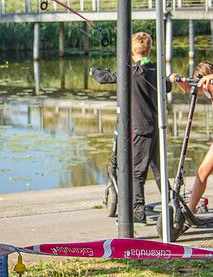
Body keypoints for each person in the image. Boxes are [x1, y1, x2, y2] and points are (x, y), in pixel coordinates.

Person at [91, 31, 171, 227]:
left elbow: (104, 78)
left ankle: (138, 214)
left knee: (137, 174)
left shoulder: (131, 73)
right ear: (149, 49)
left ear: (132, 53)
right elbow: (167, 86)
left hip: (139, 130)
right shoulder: (155, 70)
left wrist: (94, 70)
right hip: (155, 128)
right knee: (159, 171)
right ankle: (172, 207)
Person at [171, 61, 213, 215]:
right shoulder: (207, 89)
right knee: (202, 172)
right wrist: (177, 79)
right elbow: (190, 88)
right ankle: (190, 211)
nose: (201, 88)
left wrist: (211, 77)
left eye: (202, 83)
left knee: (202, 171)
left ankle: (191, 209)